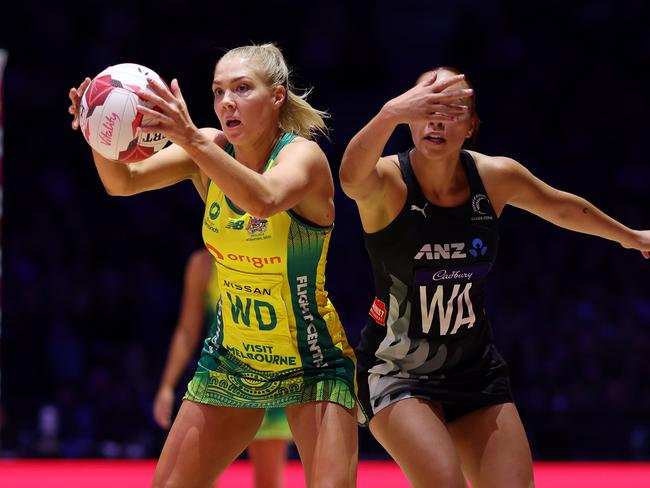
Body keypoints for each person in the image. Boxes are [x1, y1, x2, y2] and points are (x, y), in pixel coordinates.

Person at [338, 67, 650, 488]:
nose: (436, 119)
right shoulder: (388, 182)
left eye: (452, 109)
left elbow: (559, 207)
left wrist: (631, 238)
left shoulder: (494, 177)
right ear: (409, 118)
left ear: (470, 127)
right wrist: (387, 113)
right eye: (425, 106)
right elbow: (349, 178)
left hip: (474, 369)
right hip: (394, 369)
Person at [68, 43, 358, 488]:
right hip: (232, 359)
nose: (226, 102)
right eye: (218, 91)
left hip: (312, 361)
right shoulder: (207, 148)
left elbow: (263, 199)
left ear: (276, 97)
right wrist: (99, 129)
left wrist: (191, 140)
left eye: (242, 89)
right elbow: (121, 182)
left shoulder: (302, 156)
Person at [153, 248, 292, 488]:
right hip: (220, 380)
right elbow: (187, 330)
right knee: (201, 476)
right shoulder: (203, 266)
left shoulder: (273, 256)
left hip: (271, 381)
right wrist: (167, 386)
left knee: (268, 482)